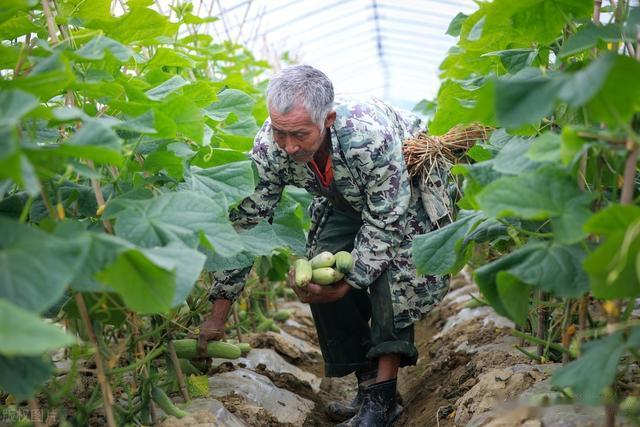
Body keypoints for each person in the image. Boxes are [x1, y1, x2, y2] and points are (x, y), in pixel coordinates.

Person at [198, 64, 450, 426]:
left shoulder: (368, 137)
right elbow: (247, 223)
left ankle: (382, 401)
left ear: (328, 118)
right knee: (320, 270)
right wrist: (217, 314)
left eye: (299, 134)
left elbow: (386, 222)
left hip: (400, 195)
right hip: (340, 197)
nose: (289, 145)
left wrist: (354, 279)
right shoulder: (273, 145)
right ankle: (367, 389)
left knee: (391, 278)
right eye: (280, 132)